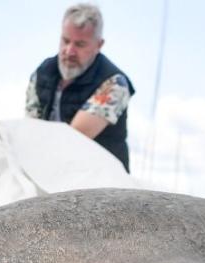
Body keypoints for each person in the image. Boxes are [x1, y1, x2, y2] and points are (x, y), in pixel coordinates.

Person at [26, 4, 136, 171]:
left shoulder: (115, 83)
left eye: (80, 44)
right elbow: (31, 131)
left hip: (103, 181)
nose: (69, 51)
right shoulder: (42, 74)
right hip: (50, 172)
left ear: (99, 45)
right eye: (65, 40)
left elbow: (76, 139)